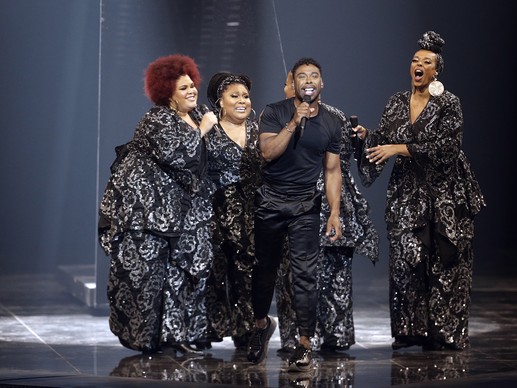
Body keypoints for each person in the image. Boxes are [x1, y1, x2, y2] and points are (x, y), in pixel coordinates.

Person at [355, 31, 486, 351]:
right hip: (407, 192)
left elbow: (448, 147)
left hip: (445, 193)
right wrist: (364, 139)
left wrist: (399, 147)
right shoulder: (397, 102)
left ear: (436, 70)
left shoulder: (448, 102)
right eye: (415, 60)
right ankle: (409, 330)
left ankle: (444, 332)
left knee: (446, 261)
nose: (418, 65)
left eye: (426, 62)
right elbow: (383, 142)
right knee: (405, 257)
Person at [97, 54, 218, 355]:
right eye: (183, 88)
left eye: (192, 85)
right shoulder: (156, 119)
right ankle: (148, 340)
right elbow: (178, 156)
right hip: (149, 214)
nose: (192, 91)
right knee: (146, 279)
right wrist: (202, 130)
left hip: (188, 213)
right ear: (167, 93)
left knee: (185, 274)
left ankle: (176, 334)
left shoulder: (200, 114)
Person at [246, 57, 343, 372]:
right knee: (264, 269)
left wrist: (334, 213)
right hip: (271, 201)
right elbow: (267, 153)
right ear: (294, 82)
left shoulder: (332, 122)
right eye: (302, 76)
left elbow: (332, 170)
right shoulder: (275, 111)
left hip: (305, 206)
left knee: (304, 274)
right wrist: (293, 122)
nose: (309, 80)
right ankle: (261, 325)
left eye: (314, 75)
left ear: (322, 83)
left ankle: (304, 343)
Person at [276, 71, 379, 353]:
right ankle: (298, 339)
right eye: (296, 81)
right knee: (294, 275)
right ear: (288, 86)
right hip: (292, 206)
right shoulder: (277, 117)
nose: (304, 85)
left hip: (333, 206)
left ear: (321, 85)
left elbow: (344, 165)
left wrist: (362, 140)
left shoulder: (336, 117)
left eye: (312, 79)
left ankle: (335, 335)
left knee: (335, 274)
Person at [201, 72, 263, 349]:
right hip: (216, 211)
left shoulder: (261, 130)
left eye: (246, 96)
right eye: (234, 96)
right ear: (220, 102)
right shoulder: (207, 130)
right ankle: (211, 329)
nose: (242, 101)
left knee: (248, 274)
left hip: (252, 211)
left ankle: (247, 331)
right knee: (215, 273)